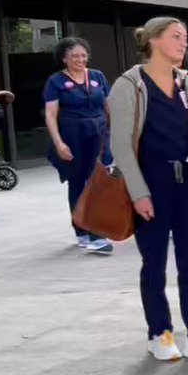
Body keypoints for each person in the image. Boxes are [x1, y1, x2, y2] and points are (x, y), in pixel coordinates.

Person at [108, 17, 188, 362]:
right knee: (154, 263)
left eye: (186, 38)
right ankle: (159, 333)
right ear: (153, 40)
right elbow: (120, 145)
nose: (183, 43)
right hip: (152, 186)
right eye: (176, 36)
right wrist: (138, 193)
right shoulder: (129, 85)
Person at [43, 37, 115, 254]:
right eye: (75, 56)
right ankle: (84, 231)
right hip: (72, 138)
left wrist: (116, 133)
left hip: (99, 136)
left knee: (98, 181)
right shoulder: (55, 82)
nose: (81, 59)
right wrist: (59, 143)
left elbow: (108, 105)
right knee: (77, 183)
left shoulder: (97, 76)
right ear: (64, 58)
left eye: (84, 55)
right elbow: (51, 114)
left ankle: (95, 232)